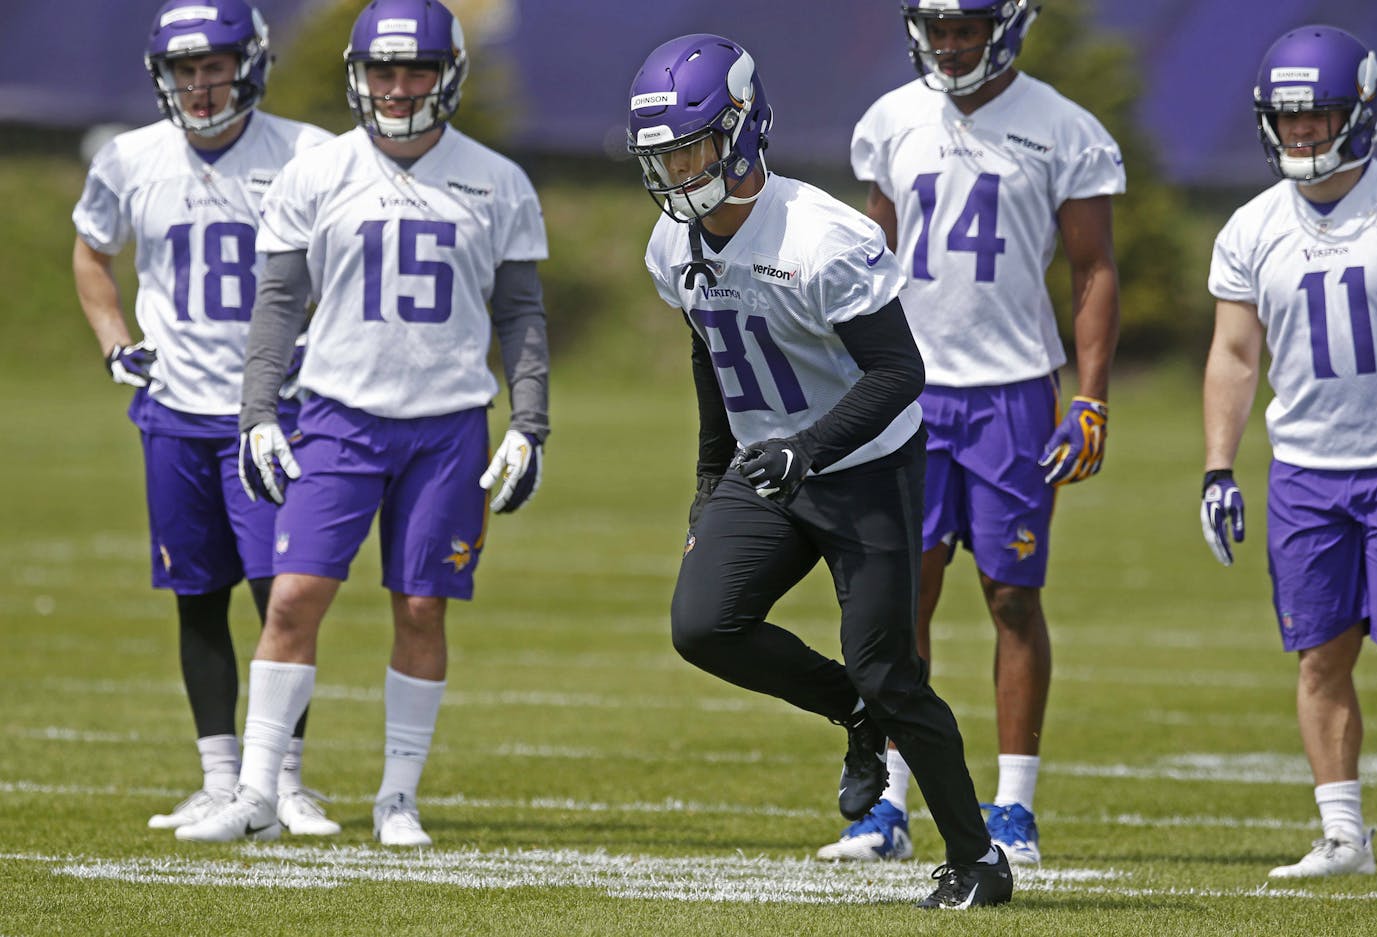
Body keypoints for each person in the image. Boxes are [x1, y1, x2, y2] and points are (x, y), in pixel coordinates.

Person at [631, 33, 1011, 909]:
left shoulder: (823, 236)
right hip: (766, 461)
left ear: (740, 131)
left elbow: (899, 372)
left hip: (865, 464)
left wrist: (809, 447)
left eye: (689, 147)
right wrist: (708, 483)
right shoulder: (671, 244)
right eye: (663, 155)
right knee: (703, 623)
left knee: (891, 668)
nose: (677, 171)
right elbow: (712, 361)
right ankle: (855, 714)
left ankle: (976, 857)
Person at [173, 0, 551, 846]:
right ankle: (260, 793)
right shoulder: (317, 171)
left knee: (422, 607)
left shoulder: (496, 179)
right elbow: (278, 302)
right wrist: (258, 410)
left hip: (448, 423)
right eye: (383, 69)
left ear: (448, 74)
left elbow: (522, 314)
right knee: (296, 596)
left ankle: (397, 796)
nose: (397, 85)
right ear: (359, 74)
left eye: (415, 68)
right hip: (339, 415)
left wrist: (530, 421)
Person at [822, 0, 1123, 865]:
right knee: (898, 596)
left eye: (966, 28)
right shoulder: (892, 119)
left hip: (1011, 393)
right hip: (908, 389)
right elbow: (867, 254)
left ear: (1007, 26)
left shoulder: (1065, 129)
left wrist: (1091, 397)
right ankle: (886, 804)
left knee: (1011, 594)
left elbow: (1094, 265)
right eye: (937, 27)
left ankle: (1014, 806)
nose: (949, 45)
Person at [72, 0, 339, 836]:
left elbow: (354, 256)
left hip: (270, 414)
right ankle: (221, 777)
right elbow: (91, 248)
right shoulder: (129, 158)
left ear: (248, 65)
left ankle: (284, 781)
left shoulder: (308, 153)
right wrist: (117, 342)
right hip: (176, 412)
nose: (199, 84)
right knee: (197, 597)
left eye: (214, 66)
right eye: (185, 70)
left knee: (280, 597)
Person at [1202, 25, 1377, 884]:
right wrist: (1218, 466)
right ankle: (1344, 833)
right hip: (1305, 469)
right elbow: (1234, 354)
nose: (1302, 134)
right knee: (1320, 653)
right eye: (1288, 119)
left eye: (1320, 116)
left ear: (1360, 111)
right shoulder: (1251, 225)